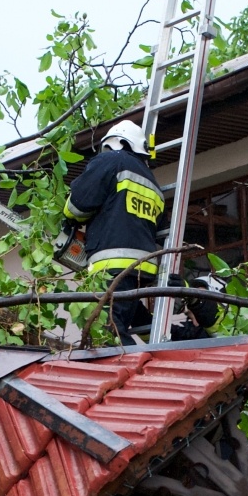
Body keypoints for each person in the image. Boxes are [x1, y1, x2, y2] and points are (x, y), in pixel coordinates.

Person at [62, 120, 167, 343]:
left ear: (115, 143)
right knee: (127, 318)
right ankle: (152, 349)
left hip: (112, 267)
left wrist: (68, 216)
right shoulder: (154, 184)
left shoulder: (111, 161)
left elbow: (76, 207)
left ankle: (134, 363)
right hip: (143, 270)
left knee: (107, 334)